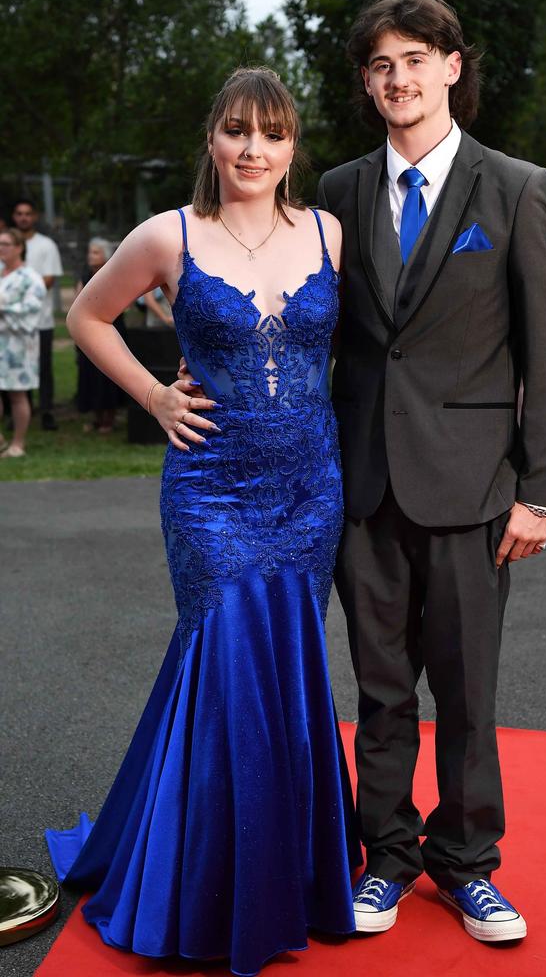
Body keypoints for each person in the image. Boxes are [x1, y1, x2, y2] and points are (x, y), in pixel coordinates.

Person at [45, 67, 360, 976]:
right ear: (213, 142)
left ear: (294, 147)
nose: (251, 150)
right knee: (222, 660)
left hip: (309, 490)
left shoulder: (329, 232)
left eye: (270, 133)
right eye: (235, 132)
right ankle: (204, 883)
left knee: (288, 667)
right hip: (210, 487)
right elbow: (86, 315)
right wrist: (152, 394)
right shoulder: (168, 235)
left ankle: (287, 873)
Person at [314, 0, 546, 942]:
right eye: (382, 65)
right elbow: (314, 328)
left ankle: (467, 865)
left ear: (453, 67)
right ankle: (386, 857)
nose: (401, 78)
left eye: (418, 59)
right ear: (367, 82)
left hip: (475, 491)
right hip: (362, 485)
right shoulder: (337, 192)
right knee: (380, 692)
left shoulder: (516, 187)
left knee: (468, 693)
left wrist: (538, 494)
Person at [12, 199, 63, 431]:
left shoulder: (46, 245)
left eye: (27, 213)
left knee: (43, 367)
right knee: (17, 365)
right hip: (13, 321)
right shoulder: (7, 243)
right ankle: (20, 411)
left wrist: (19, 288)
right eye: (19, 213)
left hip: (40, 320)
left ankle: (46, 411)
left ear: (34, 216)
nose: (23, 217)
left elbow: (49, 279)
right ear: (14, 217)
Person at [0, 227, 46, 458]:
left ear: (19, 247)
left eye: (6, 244)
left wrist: (3, 306)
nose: (1, 249)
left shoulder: (30, 278)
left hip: (17, 345)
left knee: (16, 394)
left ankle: (18, 443)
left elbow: (32, 308)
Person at [75, 237, 126, 434]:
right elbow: (78, 301)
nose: (91, 256)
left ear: (106, 255)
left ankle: (109, 419)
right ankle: (96, 416)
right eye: (90, 252)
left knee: (108, 374)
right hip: (90, 330)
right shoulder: (85, 275)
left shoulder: (114, 275)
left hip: (111, 327)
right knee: (90, 373)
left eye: (95, 252)